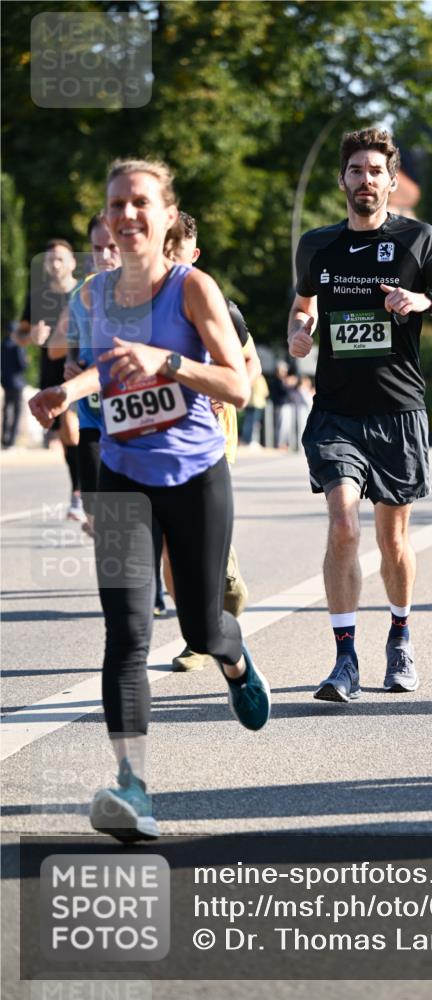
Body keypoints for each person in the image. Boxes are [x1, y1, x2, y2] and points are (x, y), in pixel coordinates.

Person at [30, 158, 270, 841]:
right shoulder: (91, 297)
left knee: (200, 626)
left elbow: (237, 385)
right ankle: (133, 787)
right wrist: (61, 395)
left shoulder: (193, 288)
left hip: (196, 475)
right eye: (116, 205)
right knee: (127, 635)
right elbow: (99, 368)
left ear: (166, 217)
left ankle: (234, 657)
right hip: (121, 473)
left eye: (140, 203)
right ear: (105, 221)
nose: (126, 214)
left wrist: (168, 362)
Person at [288, 127, 432, 701]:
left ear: (391, 181)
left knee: (393, 540)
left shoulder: (420, 239)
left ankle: (400, 635)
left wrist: (425, 302)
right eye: (355, 171)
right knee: (344, 524)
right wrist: (299, 333)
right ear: (342, 180)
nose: (365, 180)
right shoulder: (318, 245)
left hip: (397, 411)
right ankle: (344, 660)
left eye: (375, 171)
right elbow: (301, 311)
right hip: (337, 412)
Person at [163, 210, 259, 671]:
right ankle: (196, 634)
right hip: (161, 438)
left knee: (194, 533)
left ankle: (225, 588)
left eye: (177, 251)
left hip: (210, 437)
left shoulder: (216, 303)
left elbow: (249, 367)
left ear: (193, 254)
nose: (168, 259)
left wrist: (225, 387)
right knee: (169, 539)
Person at [64, 213, 121, 536]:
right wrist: (70, 363)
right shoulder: (80, 294)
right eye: (98, 248)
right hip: (92, 413)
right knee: (92, 505)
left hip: (132, 416)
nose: (105, 255)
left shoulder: (144, 291)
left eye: (112, 246)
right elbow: (73, 337)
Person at [21, 239, 83, 518]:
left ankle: (81, 495)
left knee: (78, 431)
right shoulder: (37, 296)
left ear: (72, 262)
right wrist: (31, 337)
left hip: (82, 372)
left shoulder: (85, 292)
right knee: (69, 438)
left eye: (60, 259)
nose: (55, 264)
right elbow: (18, 334)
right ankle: (80, 491)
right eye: (50, 260)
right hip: (51, 374)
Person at [1, 326, 27, 448]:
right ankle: (11, 440)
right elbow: (22, 365)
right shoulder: (18, 346)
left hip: (6, 382)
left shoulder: (2, 345)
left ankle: (4, 438)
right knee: (16, 411)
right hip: (17, 383)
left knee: (6, 409)